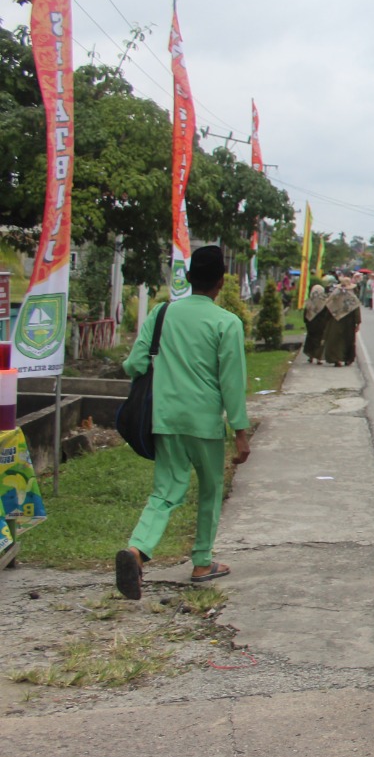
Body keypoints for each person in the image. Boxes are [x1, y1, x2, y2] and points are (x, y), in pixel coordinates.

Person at [114, 246, 252, 600]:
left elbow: (134, 364)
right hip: (204, 422)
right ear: (221, 283)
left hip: (164, 418)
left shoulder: (162, 313)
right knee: (209, 490)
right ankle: (202, 562)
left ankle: (137, 551)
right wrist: (240, 432)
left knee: (165, 492)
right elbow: (232, 383)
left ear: (189, 279)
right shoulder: (227, 323)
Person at [322, 277, 361, 367]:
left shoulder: (335, 295)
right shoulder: (352, 297)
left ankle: (336, 359)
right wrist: (358, 323)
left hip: (335, 321)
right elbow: (356, 310)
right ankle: (347, 359)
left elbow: (328, 308)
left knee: (335, 340)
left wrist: (326, 320)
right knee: (348, 340)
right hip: (349, 323)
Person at [302, 283, 329, 364]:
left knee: (310, 339)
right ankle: (319, 358)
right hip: (321, 324)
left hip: (311, 323)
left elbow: (305, 313)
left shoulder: (309, 301)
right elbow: (327, 314)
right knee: (320, 340)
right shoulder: (324, 301)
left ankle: (311, 356)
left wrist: (306, 321)